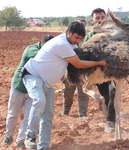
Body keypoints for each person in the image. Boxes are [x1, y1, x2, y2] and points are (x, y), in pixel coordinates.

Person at [22, 21, 106, 150]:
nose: (78, 41)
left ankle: (43, 146)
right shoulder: (62, 44)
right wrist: (99, 62)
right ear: (68, 33)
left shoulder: (68, 42)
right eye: (76, 37)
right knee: (39, 100)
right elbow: (79, 64)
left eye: (80, 38)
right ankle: (30, 136)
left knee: (48, 115)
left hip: (47, 84)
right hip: (33, 76)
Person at [1, 35, 54, 149]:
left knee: (28, 117)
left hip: (33, 90)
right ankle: (8, 135)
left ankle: (21, 141)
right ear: (43, 45)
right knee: (13, 114)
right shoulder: (31, 50)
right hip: (19, 86)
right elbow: (42, 60)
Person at [83, 8, 116, 133]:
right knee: (106, 94)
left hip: (113, 71)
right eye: (97, 18)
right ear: (92, 21)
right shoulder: (89, 38)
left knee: (113, 92)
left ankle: (110, 121)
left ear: (106, 19)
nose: (100, 20)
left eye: (102, 17)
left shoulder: (112, 35)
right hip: (98, 74)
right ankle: (110, 118)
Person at [62, 18, 89, 118]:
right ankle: (66, 111)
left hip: (82, 70)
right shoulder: (66, 40)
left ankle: (82, 114)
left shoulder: (86, 39)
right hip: (69, 71)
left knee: (84, 92)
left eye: (83, 25)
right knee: (68, 91)